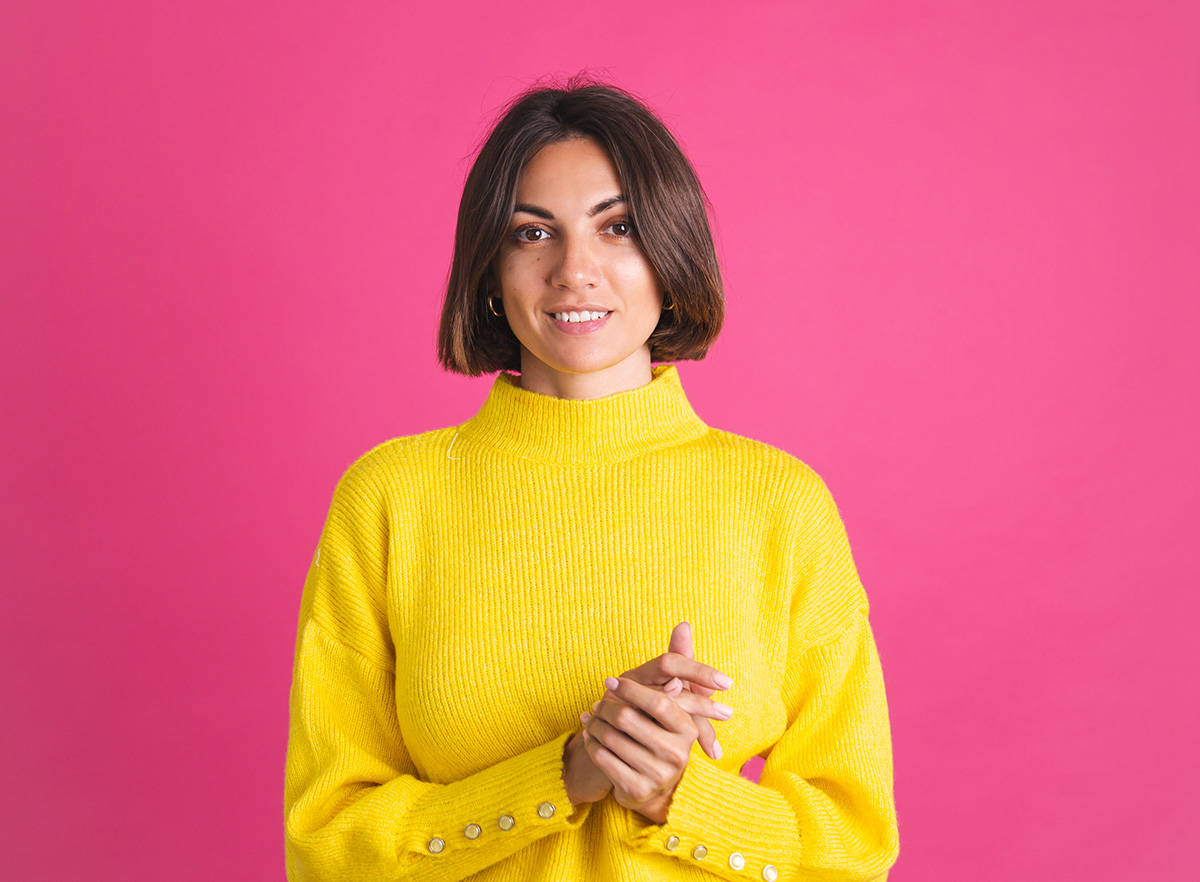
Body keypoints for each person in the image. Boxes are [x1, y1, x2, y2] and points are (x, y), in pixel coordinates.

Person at [284, 80, 899, 881]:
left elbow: (855, 848)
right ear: (490, 271)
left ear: (671, 256)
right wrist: (562, 776)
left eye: (618, 228)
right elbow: (327, 844)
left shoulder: (779, 503)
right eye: (533, 233)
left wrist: (679, 797)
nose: (575, 270)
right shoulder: (390, 498)